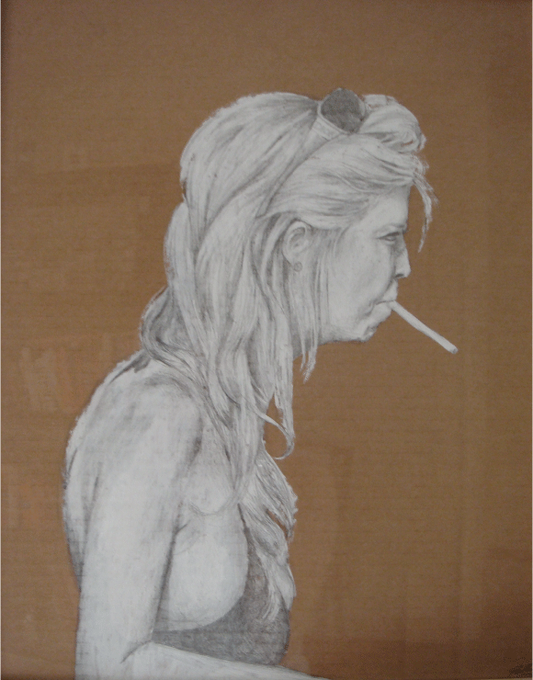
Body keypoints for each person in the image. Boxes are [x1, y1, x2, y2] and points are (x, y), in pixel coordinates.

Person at [64, 88, 434, 680]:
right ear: (297, 245)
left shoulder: (226, 408)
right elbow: (106, 665)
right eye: (389, 237)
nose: (405, 265)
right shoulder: (159, 413)